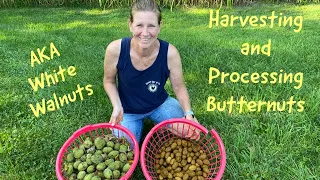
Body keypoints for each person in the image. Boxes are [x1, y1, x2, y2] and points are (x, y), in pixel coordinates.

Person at [103, 0, 199, 144]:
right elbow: (108, 81)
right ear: (130, 25)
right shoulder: (115, 50)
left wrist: (188, 113)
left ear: (160, 27)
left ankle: (161, 123)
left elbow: (179, 87)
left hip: (159, 104)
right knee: (124, 146)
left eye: (152, 26)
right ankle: (155, 125)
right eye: (139, 25)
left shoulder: (170, 53)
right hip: (128, 111)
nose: (145, 33)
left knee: (192, 132)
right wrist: (117, 106)